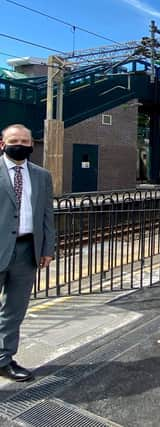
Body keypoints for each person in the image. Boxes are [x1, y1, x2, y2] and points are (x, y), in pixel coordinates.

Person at [0, 124, 55, 382]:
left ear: (32, 145)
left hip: (26, 251)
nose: (20, 145)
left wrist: (47, 249)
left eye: (25, 141)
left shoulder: (42, 176)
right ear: (2, 144)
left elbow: (46, 215)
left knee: (15, 309)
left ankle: (4, 359)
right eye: (14, 140)